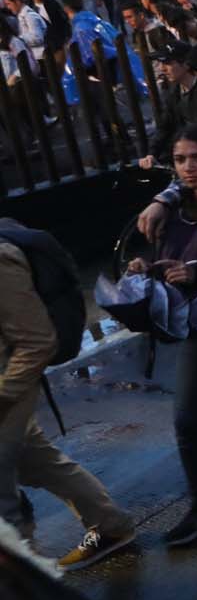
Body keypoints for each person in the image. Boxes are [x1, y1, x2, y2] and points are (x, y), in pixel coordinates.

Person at [0, 220, 135, 570]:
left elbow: (36, 342)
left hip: (6, 385)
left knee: (3, 508)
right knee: (35, 460)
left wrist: (4, 394)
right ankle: (111, 527)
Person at [132, 124, 197, 546]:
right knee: (187, 420)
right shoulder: (170, 209)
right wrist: (148, 269)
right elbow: (158, 256)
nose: (189, 168)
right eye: (180, 159)